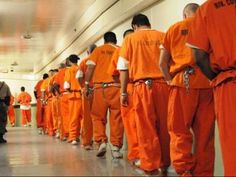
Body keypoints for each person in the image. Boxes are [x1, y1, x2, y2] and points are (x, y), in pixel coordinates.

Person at [159, 3, 215, 176]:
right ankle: (204, 173)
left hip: (182, 83)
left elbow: (162, 63)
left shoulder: (174, 28)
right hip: (207, 83)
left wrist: (170, 81)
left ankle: (184, 172)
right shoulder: (210, 25)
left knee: (179, 131)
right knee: (205, 135)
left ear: (184, 15)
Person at [187, 0, 236, 175]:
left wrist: (216, 77)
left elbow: (199, 56)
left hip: (228, 83)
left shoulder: (208, 8)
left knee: (233, 147)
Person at [117, 14, 170, 175]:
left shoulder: (130, 40)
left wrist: (123, 92)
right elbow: (169, 61)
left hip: (142, 87)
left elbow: (123, 69)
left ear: (134, 26)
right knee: (165, 126)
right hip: (164, 86)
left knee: (146, 127)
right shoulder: (163, 36)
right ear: (148, 23)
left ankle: (150, 165)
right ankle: (165, 163)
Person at [85, 32, 124, 159]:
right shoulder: (120, 49)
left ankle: (101, 141)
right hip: (116, 87)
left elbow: (90, 68)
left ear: (104, 40)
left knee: (97, 117)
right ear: (115, 40)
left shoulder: (98, 50)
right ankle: (116, 147)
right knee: (117, 117)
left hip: (99, 88)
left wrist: (86, 84)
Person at [107, 29, 139, 163]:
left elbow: (114, 73)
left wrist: (123, 88)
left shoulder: (120, 50)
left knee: (132, 124)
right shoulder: (150, 42)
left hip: (131, 87)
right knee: (153, 124)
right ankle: (159, 159)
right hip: (155, 86)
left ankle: (138, 156)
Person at [76, 44, 97, 150]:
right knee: (99, 117)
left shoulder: (84, 62)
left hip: (88, 91)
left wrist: (83, 87)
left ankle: (87, 142)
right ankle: (99, 140)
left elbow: (79, 77)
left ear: (88, 52)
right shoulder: (100, 60)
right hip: (100, 91)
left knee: (87, 117)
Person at [64, 54, 82, 145]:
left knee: (73, 117)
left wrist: (70, 90)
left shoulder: (69, 70)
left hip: (73, 96)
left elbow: (66, 85)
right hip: (82, 95)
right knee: (82, 118)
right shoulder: (80, 68)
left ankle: (74, 137)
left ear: (70, 61)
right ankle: (85, 137)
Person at [53, 61, 71, 141]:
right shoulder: (72, 70)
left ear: (59, 68)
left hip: (63, 95)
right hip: (74, 94)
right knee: (74, 116)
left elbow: (54, 85)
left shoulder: (59, 74)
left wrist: (59, 93)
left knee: (64, 116)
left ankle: (66, 134)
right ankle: (74, 135)